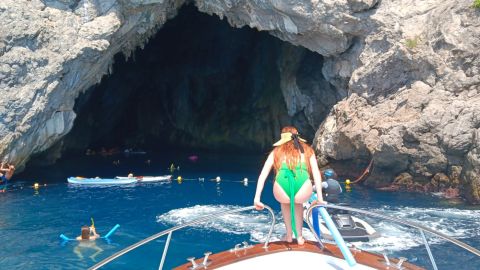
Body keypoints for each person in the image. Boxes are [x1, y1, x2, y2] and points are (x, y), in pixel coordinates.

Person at [253, 126, 326, 245]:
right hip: (302, 187)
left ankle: (288, 235)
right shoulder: (307, 150)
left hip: (281, 188)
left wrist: (257, 198)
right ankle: (300, 237)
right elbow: (316, 173)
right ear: (297, 136)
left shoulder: (276, 151)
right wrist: (320, 198)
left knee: (285, 203)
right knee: (298, 204)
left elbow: (263, 174)